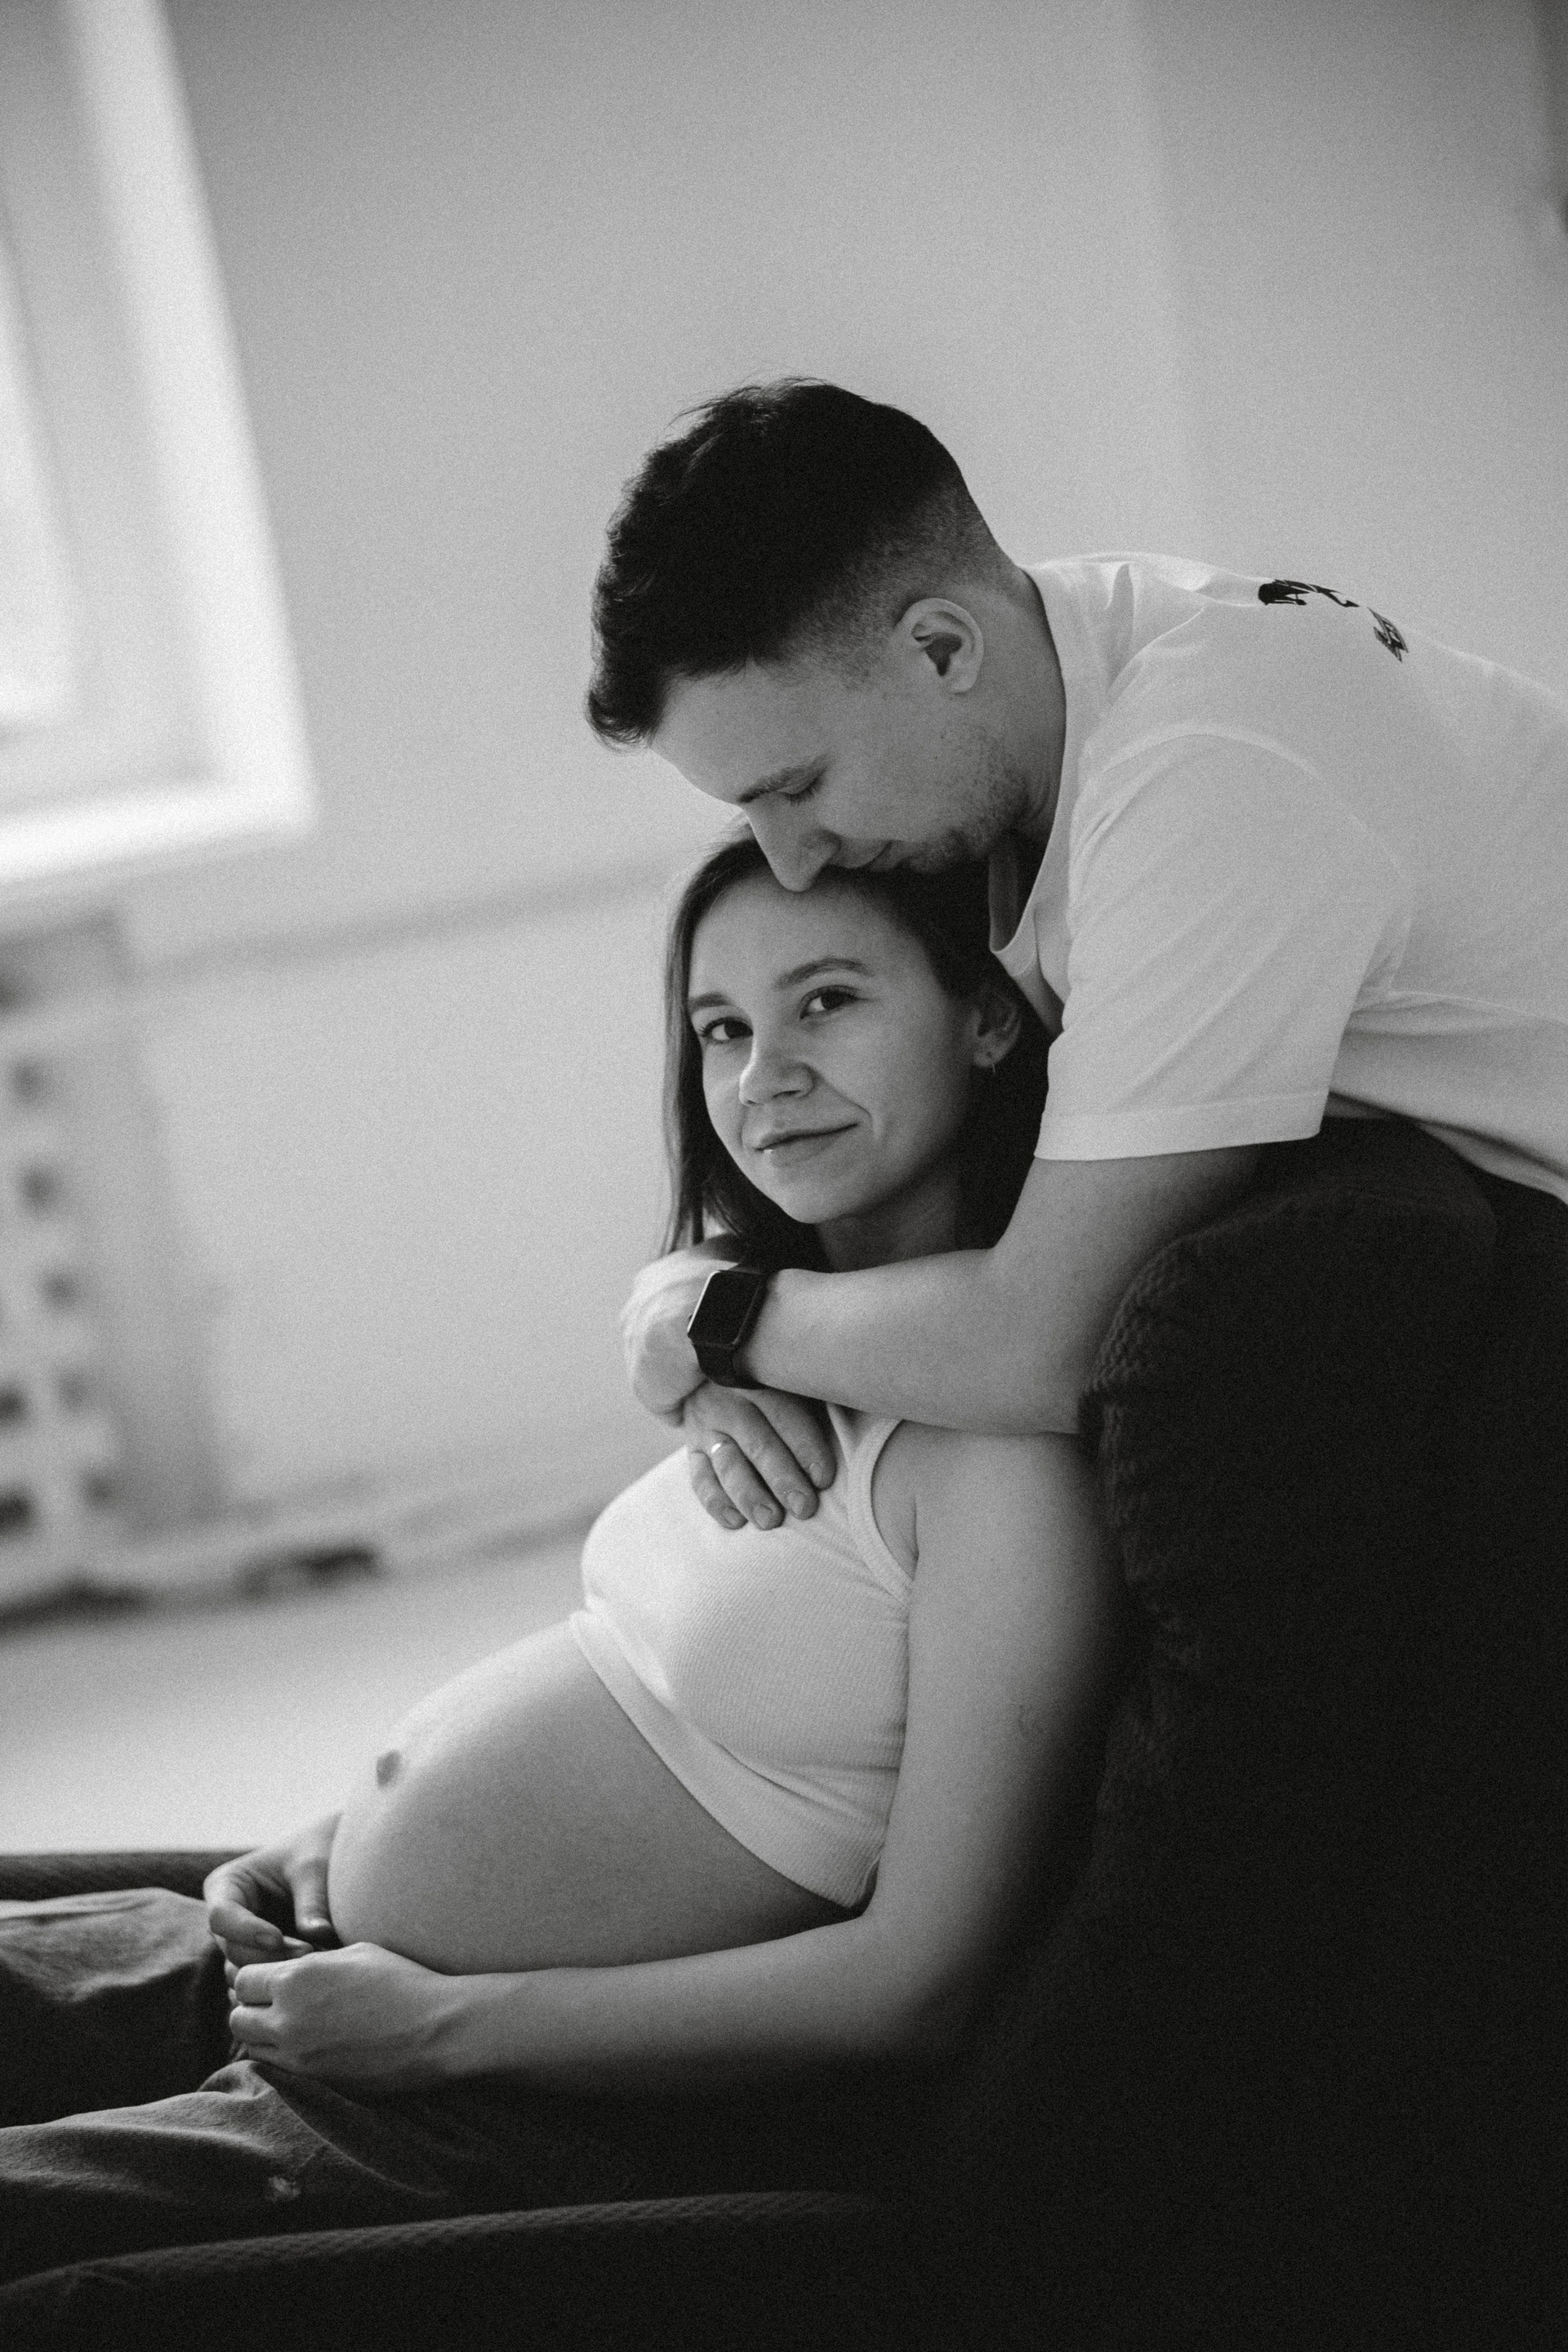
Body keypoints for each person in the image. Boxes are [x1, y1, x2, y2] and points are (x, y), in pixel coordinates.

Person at [0, 837, 1118, 2286]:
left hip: (473, 2093)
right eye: (722, 1028)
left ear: (987, 1018)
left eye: (827, 1001)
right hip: (312, 1946)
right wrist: (348, 1837)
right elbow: (646, 1707)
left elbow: (917, 1986)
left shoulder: (999, 1472)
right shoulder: (771, 1334)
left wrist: (438, 2027)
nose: (763, 1074)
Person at [592, 379, 1568, 1528]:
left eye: (798, 787)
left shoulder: (1206, 768)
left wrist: (715, 1323)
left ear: (941, 647)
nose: (790, 863)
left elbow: (1044, 1345)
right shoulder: (1052, 686)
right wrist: (692, 1292)